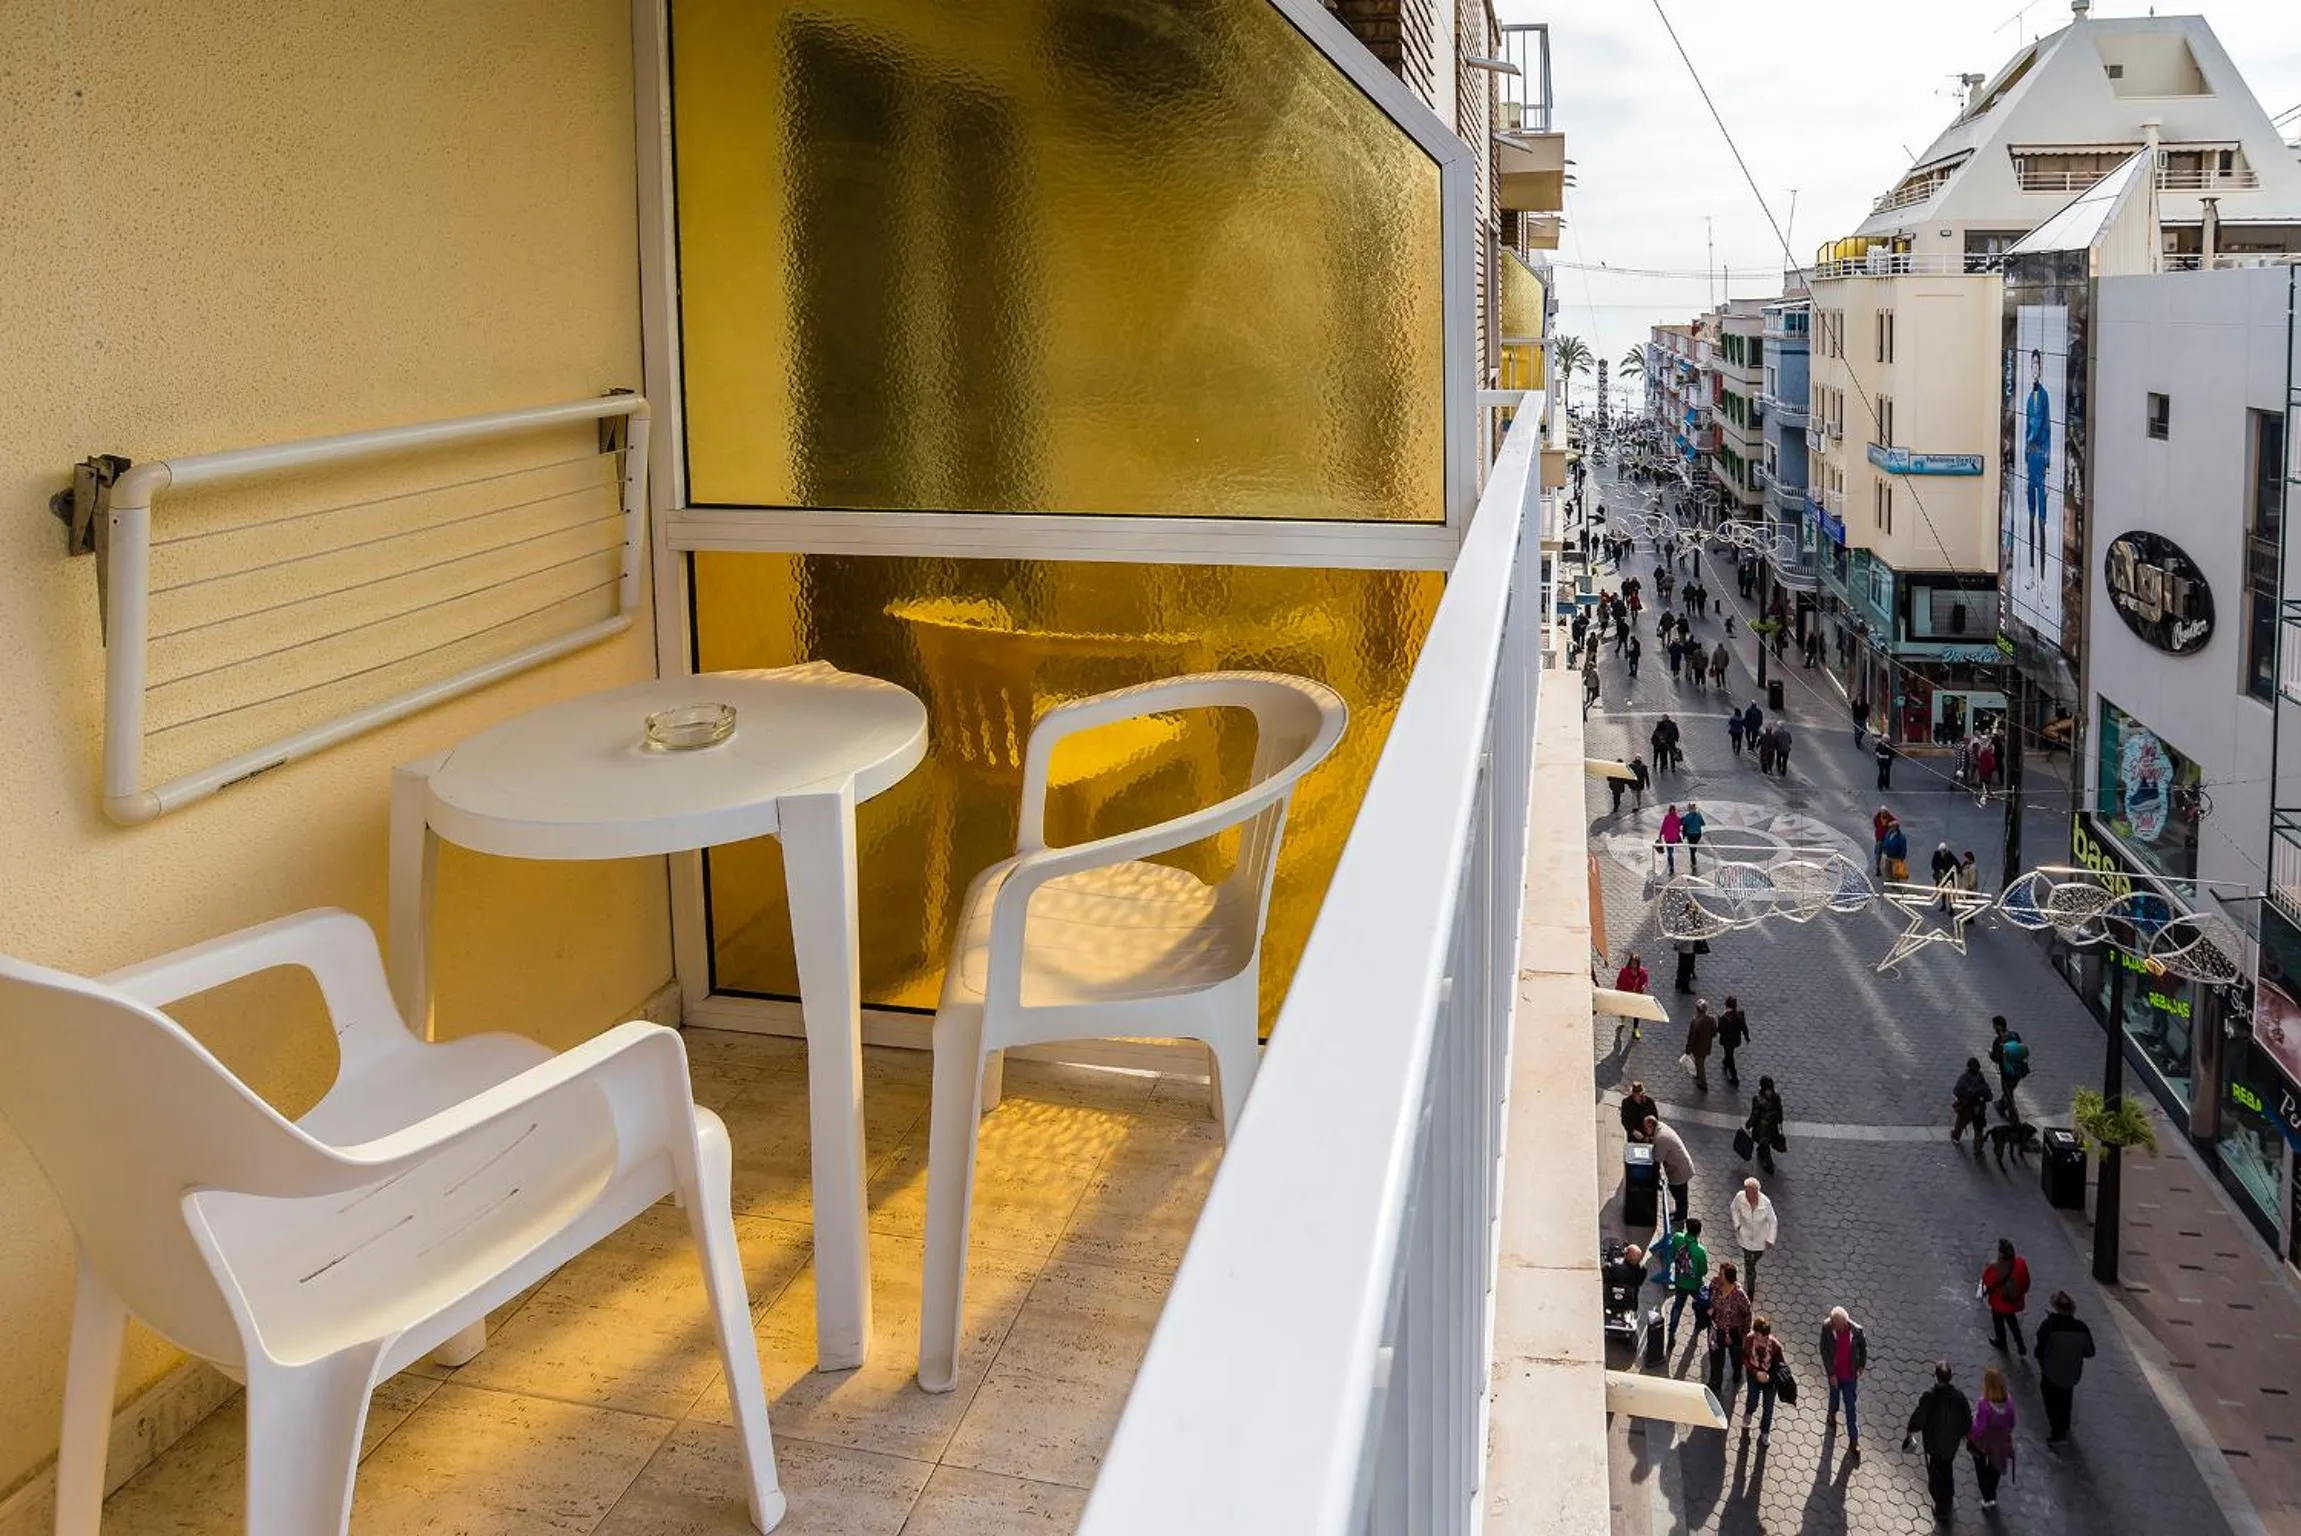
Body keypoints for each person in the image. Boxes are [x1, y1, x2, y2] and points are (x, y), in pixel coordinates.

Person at [1905, 1362, 1974, 1525]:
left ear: (1935, 1377)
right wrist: (1966, 1436)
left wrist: (1911, 1429)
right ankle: (1948, 1498)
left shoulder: (1930, 1397)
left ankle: (1942, 1509)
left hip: (1934, 1445)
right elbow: (1967, 1420)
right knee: (1947, 1468)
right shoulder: (1960, 1398)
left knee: (1936, 1476)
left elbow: (1919, 1417)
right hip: (1951, 1445)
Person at [2034, 1291, 2097, 1444]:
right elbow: (2090, 1352)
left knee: (2051, 1401)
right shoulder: (2081, 1328)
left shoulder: (2049, 1326)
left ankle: (2058, 1434)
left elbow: (2039, 1351)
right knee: (2066, 1397)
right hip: (2072, 1373)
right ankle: (2065, 1424)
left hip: (2051, 1372)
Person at [1651, 1213, 1708, 1351]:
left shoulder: (1677, 1238)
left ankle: (1671, 1333)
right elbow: (1704, 1271)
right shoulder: (1700, 1251)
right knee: (1702, 1303)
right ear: (1698, 1233)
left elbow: (1672, 1252)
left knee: (1677, 1307)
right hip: (1694, 1284)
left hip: (1680, 1281)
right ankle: (1700, 1323)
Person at [1968, 1366, 2017, 1510]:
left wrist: (1969, 1430)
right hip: (2000, 1443)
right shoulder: (2009, 1402)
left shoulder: (1984, 1405)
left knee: (1980, 1464)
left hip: (1984, 1442)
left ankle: (1987, 1495)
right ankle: (1991, 1495)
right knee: (1995, 1468)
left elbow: (1979, 1428)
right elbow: (2012, 1422)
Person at [1819, 1307, 1867, 1454]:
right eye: (1833, 1324)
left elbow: (1863, 1349)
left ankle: (1854, 1440)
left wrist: (1861, 1366)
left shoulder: (1857, 1331)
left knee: (1850, 1407)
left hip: (1849, 1377)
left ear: (1844, 1324)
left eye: (1836, 1325)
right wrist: (1831, 1373)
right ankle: (1831, 1414)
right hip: (1835, 1375)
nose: (1834, 1327)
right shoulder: (1827, 1327)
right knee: (1834, 1398)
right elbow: (1824, 1350)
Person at [1706, 1261, 1752, 1400]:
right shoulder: (1715, 1284)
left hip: (1734, 1332)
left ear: (1728, 1277)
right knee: (1715, 1358)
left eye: (1721, 1274)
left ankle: (1737, 1372)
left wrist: (1745, 1332)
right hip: (1716, 1329)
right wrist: (1710, 1308)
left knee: (1736, 1356)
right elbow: (1710, 1296)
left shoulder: (1739, 1295)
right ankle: (1715, 1383)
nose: (1718, 1276)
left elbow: (1747, 1312)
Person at [1981, 1237, 2032, 1357]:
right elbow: (2026, 1283)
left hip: (1999, 1302)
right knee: (2012, 1320)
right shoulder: (2021, 1263)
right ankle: (2020, 1344)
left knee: (1998, 1321)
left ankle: (2001, 1341)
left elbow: (1987, 1283)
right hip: (2013, 1301)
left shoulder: (1995, 1268)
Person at [1729, 1176, 1777, 1299]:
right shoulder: (1740, 1197)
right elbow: (1733, 1208)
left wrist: (1770, 1239)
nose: (1748, 1195)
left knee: (1753, 1259)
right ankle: (1750, 1289)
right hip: (1745, 1237)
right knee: (1749, 1264)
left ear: (1757, 1191)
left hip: (1760, 1241)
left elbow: (1773, 1221)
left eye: (1751, 1192)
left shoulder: (1765, 1203)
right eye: (1747, 1191)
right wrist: (1737, 1224)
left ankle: (1749, 1274)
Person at [1645, 1115, 1694, 1227]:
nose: (1645, 1130)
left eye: (1646, 1127)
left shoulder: (1661, 1137)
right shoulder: (1660, 1128)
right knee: (1677, 1192)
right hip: (1677, 1168)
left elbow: (1658, 1158)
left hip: (1680, 1170)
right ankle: (1679, 1213)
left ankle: (1681, 1217)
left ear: (1651, 1126)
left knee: (1679, 1194)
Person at [1988, 1015, 2031, 1122]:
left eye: (1994, 1026)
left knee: (2009, 1095)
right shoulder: (2015, 1035)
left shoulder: (1998, 1042)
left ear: (1998, 1027)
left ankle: (2014, 1119)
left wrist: (1991, 1054)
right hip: (2019, 1071)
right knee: (2009, 1091)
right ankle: (2001, 1104)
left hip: (2007, 1074)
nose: (1993, 1028)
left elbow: (1997, 1059)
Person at [1952, 1057, 1993, 1155]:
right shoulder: (1981, 1080)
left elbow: (1956, 1091)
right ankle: (1977, 1148)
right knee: (1978, 1129)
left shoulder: (1963, 1079)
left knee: (1961, 1123)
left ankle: (1956, 1136)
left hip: (1966, 1107)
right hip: (1979, 1108)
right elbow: (1989, 1096)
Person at [1746, 1075, 1784, 1176]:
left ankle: (1769, 1165)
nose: (1769, 1092)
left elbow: (1754, 1114)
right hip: (1770, 1126)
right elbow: (1779, 1111)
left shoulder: (1758, 1099)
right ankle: (1762, 1152)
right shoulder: (1776, 1097)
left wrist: (1749, 1124)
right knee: (1765, 1143)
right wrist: (1779, 1122)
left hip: (1762, 1128)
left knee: (1765, 1144)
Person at [1684, 999, 1718, 1093]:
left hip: (1697, 1048)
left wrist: (1688, 1049)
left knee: (1700, 1064)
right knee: (1701, 1061)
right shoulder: (1711, 1019)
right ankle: (1698, 1075)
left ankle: (1703, 1083)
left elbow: (1691, 1037)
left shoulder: (1695, 1021)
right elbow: (1714, 1033)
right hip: (1706, 1046)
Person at [1718, 995, 1749, 1088]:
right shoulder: (1740, 1015)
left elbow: (1721, 1030)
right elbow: (1744, 1027)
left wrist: (1719, 1021)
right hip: (1736, 1040)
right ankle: (1725, 1061)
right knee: (1729, 1053)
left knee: (1730, 1057)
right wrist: (1747, 1037)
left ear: (1726, 1005)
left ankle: (1734, 1078)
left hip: (1727, 1041)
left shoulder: (1724, 1018)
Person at [1930, 842, 1959, 912]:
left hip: (1949, 877)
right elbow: (1933, 864)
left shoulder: (1949, 854)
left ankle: (1951, 907)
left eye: (1943, 851)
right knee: (1942, 891)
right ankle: (1943, 905)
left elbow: (1956, 863)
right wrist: (1939, 869)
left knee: (1949, 893)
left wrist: (1958, 871)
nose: (1942, 853)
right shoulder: (1936, 854)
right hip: (1941, 877)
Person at [1658, 804, 1685, 876]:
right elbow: (1679, 828)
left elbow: (1663, 827)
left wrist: (1660, 835)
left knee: (1670, 852)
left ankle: (1671, 867)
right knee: (1671, 850)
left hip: (1668, 837)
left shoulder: (1666, 817)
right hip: (1673, 837)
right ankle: (1670, 861)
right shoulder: (1677, 818)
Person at [1681, 802, 1706, 873]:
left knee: (1691, 848)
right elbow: (1703, 823)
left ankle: (1693, 862)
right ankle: (1693, 857)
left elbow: (1684, 824)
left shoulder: (1687, 816)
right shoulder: (1698, 815)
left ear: (1689, 809)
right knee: (1693, 846)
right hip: (1697, 834)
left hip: (1690, 834)